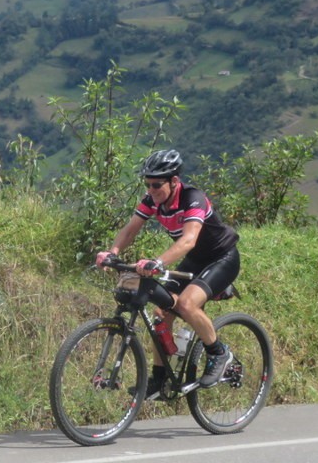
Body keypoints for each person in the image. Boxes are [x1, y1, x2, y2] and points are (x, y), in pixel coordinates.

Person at [96, 149, 240, 394]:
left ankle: (220, 354)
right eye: (147, 184)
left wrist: (158, 262)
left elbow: (188, 241)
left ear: (174, 181)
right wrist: (112, 252)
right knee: (161, 313)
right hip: (195, 261)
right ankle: (159, 380)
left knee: (186, 304)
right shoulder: (152, 199)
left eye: (156, 184)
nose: (151, 190)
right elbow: (131, 229)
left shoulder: (193, 198)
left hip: (221, 257)